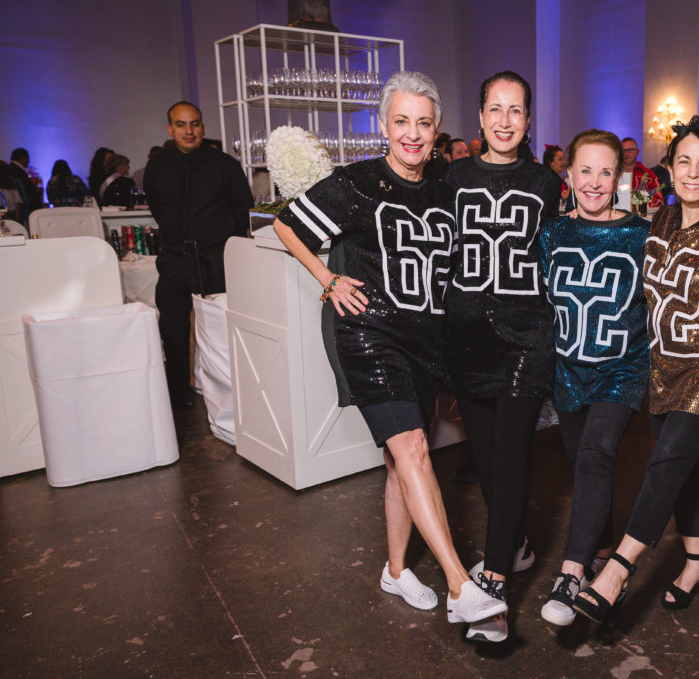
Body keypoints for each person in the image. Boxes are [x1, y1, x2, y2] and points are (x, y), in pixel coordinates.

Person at [272, 70, 507, 627]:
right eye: (401, 121)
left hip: (425, 341)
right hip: (368, 333)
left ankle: (397, 570)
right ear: (383, 125)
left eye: (423, 123)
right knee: (413, 449)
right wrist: (327, 279)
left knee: (401, 459)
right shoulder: (355, 183)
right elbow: (288, 227)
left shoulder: (446, 185)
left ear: (438, 130)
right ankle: (459, 585)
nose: (412, 134)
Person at [572, 117, 699, 625]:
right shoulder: (658, 222)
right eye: (684, 160)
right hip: (663, 371)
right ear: (669, 167)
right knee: (683, 472)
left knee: (664, 464)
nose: (693, 171)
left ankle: (618, 570)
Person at [445, 70, 562, 643]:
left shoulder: (545, 183)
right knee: (488, 460)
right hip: (467, 340)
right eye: (496, 108)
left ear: (529, 119)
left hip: (526, 337)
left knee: (511, 458)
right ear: (481, 114)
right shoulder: (453, 177)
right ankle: (512, 544)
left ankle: (492, 588)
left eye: (516, 110)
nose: (505, 120)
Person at [537, 129, 649, 627]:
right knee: (585, 470)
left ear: (619, 177)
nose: (596, 182)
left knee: (596, 454)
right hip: (567, 372)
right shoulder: (552, 233)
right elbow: (536, 305)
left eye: (607, 171)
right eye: (586, 170)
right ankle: (601, 553)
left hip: (622, 369)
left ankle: (570, 573)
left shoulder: (643, 235)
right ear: (569, 175)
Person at [144, 101, 254, 409]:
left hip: (214, 259)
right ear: (170, 129)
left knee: (219, 334)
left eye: (194, 124)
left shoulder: (225, 165)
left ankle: (230, 399)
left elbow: (240, 210)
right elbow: (158, 209)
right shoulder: (157, 166)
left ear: (203, 127)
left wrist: (223, 245)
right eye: (181, 125)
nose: (189, 131)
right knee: (173, 331)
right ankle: (178, 398)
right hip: (174, 259)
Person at [618, 137, 663, 209]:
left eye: (630, 150)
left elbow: (658, 199)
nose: (626, 153)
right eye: (623, 151)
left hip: (642, 216)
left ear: (637, 152)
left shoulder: (648, 175)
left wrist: (640, 205)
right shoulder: (613, 174)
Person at [8, 148, 41, 220]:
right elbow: (25, 192)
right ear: (22, 158)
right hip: (24, 209)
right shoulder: (17, 170)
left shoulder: (12, 168)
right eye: (27, 158)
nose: (28, 161)